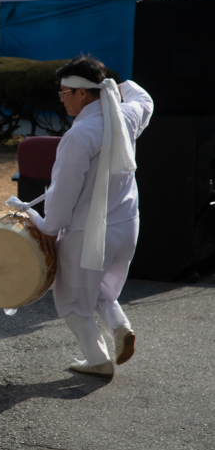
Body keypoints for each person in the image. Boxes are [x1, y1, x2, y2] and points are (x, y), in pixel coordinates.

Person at [25, 56, 153, 378]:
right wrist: (118, 84)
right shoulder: (125, 115)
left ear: (83, 93)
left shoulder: (80, 135)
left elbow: (63, 192)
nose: (62, 98)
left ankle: (97, 360)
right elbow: (145, 99)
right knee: (100, 289)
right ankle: (120, 327)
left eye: (64, 92)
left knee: (70, 298)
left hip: (90, 232)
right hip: (127, 225)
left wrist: (48, 227)